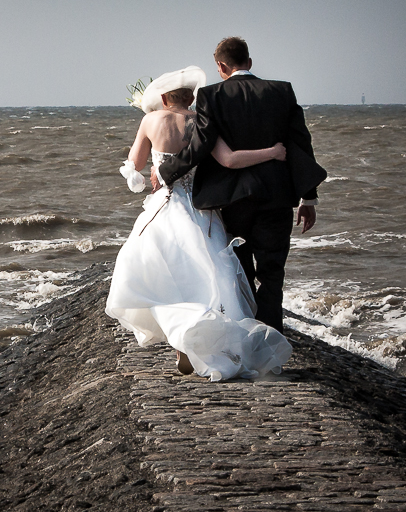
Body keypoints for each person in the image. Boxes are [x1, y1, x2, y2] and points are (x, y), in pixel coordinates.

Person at [106, 66, 293, 380]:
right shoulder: (203, 122)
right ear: (191, 96)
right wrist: (272, 152)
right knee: (211, 279)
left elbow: (135, 167)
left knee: (165, 276)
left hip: (165, 208)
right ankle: (204, 340)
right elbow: (230, 160)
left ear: (163, 97)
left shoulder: (151, 120)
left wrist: (138, 175)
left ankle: (183, 338)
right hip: (203, 213)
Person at [153, 37, 323, 333]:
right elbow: (301, 144)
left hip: (234, 201)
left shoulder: (211, 96)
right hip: (277, 197)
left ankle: (246, 338)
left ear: (221, 66)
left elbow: (201, 145)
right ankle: (271, 346)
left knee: (240, 272)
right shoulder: (282, 91)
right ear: (250, 62)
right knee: (272, 274)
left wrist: (165, 171)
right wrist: (308, 198)